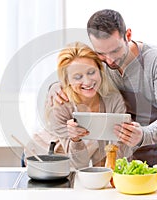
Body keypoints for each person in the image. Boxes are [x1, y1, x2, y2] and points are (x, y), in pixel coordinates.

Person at [49, 9, 157, 166]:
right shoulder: (101, 61)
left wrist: (143, 135)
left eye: (115, 51)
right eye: (101, 53)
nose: (109, 61)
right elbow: (75, 71)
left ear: (128, 35)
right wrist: (55, 86)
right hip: (130, 145)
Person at [36, 41, 132, 169]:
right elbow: (78, 165)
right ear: (67, 81)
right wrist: (76, 140)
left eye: (91, 72)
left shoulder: (113, 100)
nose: (87, 81)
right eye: (77, 77)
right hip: (44, 160)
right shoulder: (60, 105)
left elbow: (117, 159)